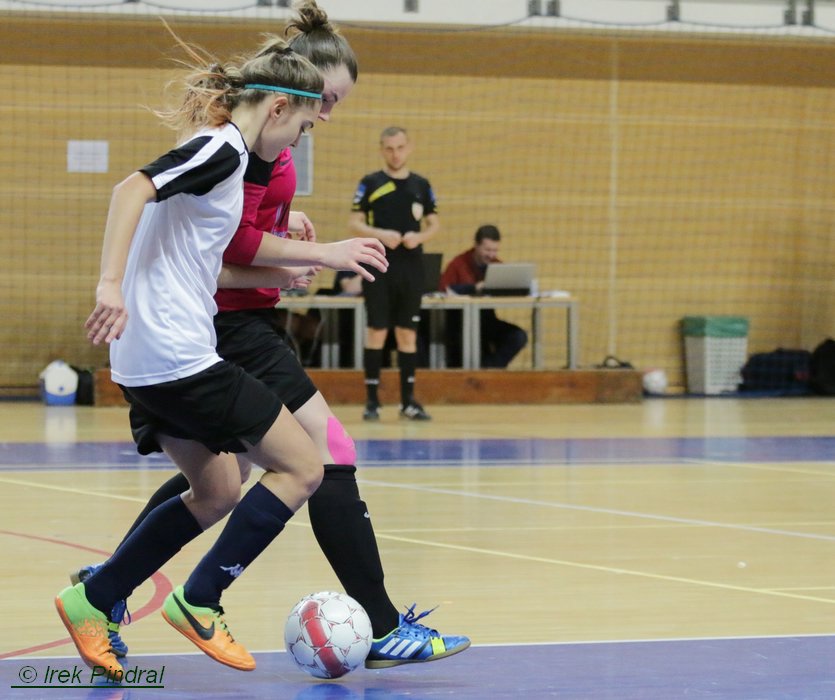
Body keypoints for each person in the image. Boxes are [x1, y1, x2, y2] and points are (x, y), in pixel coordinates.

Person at [69, 2, 469, 673]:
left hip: (208, 327)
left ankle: (106, 586)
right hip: (216, 329)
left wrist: (288, 238)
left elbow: (224, 232)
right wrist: (317, 254)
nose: (325, 118)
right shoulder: (237, 149)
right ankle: (368, 624)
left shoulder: (256, 147)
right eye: (322, 104)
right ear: (288, 91)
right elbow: (212, 236)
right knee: (315, 458)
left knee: (221, 481)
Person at [54, 33, 335, 674]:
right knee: (302, 467)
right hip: (174, 354)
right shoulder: (222, 149)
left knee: (216, 489)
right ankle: (200, 599)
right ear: (277, 110)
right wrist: (108, 284)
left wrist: (279, 275)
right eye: (301, 129)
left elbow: (203, 266)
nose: (297, 143)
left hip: (149, 356)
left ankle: (92, 599)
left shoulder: (227, 163)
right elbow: (130, 190)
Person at [348, 126, 440, 421]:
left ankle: (408, 402)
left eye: (400, 148)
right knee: (377, 331)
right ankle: (372, 402)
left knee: (407, 333)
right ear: (381, 150)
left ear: (409, 147)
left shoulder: (421, 184)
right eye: (389, 148)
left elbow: (434, 224)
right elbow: (354, 222)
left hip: (411, 268)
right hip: (378, 265)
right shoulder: (371, 182)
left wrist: (419, 237)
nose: (395, 154)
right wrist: (380, 234)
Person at [439, 224, 528, 368]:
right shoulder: (458, 263)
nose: (491, 255)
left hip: (486, 322)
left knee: (518, 336)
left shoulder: (497, 266)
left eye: (495, 250)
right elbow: (444, 289)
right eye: (487, 250)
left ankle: (489, 370)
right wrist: (474, 288)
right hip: (459, 324)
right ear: (476, 245)